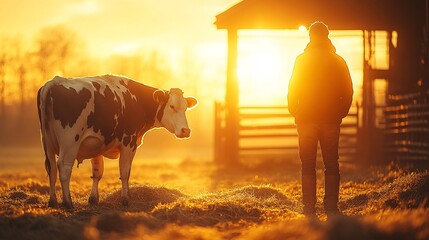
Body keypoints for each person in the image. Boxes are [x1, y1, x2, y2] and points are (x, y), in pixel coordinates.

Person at [288, 21, 353, 218]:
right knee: (331, 164)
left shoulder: (301, 60)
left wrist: (295, 111)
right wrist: (340, 113)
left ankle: (309, 207)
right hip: (330, 119)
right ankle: (331, 207)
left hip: (306, 118)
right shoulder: (338, 61)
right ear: (327, 35)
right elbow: (348, 90)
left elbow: (293, 88)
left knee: (307, 164)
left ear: (310, 36)